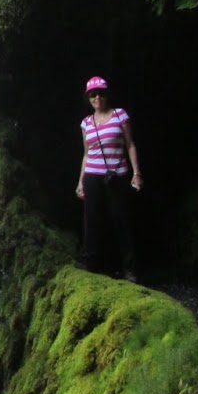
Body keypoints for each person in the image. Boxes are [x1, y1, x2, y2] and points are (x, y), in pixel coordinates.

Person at [75, 75, 142, 281]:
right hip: (92, 177)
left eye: (101, 93)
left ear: (107, 95)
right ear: (88, 98)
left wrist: (136, 174)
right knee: (92, 222)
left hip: (117, 175)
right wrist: (80, 181)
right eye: (93, 94)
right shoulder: (86, 123)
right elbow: (87, 154)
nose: (98, 98)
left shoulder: (120, 115)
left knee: (120, 219)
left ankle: (129, 268)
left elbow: (130, 144)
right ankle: (92, 265)